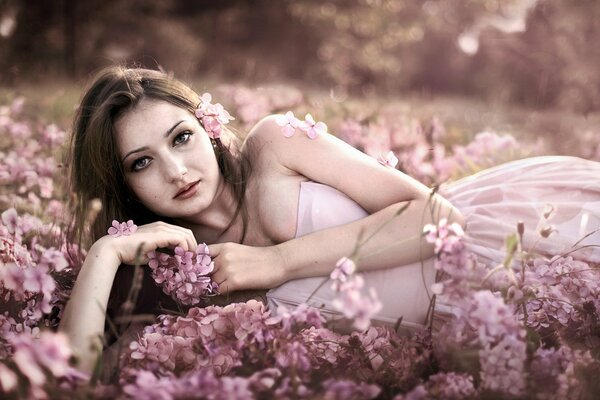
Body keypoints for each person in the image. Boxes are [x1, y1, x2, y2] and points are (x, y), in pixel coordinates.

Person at [59, 66, 600, 374]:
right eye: (142, 162)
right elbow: (74, 374)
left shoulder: (274, 148)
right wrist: (105, 253)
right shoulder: (184, 278)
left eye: (181, 137)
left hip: (506, 259)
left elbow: (441, 218)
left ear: (209, 127)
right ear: (122, 185)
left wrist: (275, 262)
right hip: (457, 351)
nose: (177, 170)